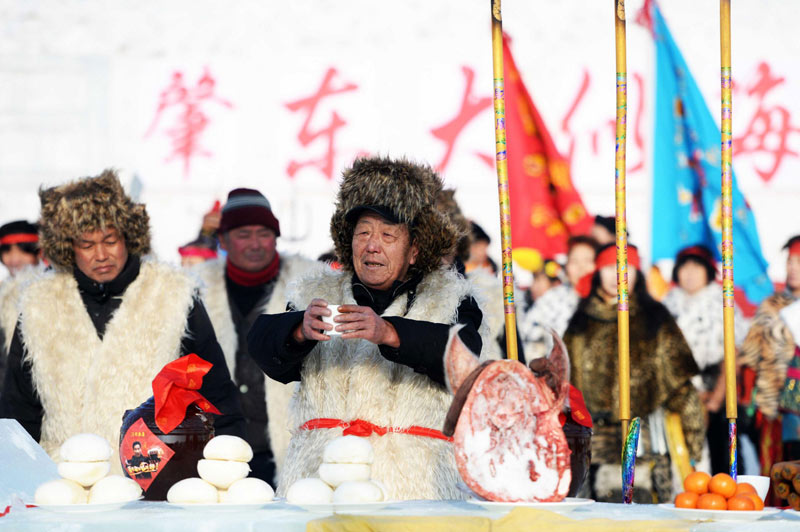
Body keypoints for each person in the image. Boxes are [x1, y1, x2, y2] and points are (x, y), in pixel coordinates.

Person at [248, 156, 490, 500]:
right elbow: (263, 347)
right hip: (322, 481)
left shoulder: (450, 297)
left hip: (416, 488)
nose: (372, 245)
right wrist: (298, 330)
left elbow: (465, 355)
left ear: (414, 250)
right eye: (363, 233)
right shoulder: (315, 292)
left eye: (387, 235)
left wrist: (389, 333)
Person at [0, 170, 244, 470]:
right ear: (67, 246)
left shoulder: (173, 293)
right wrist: (17, 478)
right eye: (87, 245)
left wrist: (228, 464)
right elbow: (18, 406)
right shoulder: (39, 303)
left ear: (128, 236)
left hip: (155, 478)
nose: (101, 255)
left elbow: (215, 391)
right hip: (62, 478)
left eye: (110, 240)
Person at [191, 188, 315, 484]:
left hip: (291, 447)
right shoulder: (195, 289)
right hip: (214, 452)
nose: (256, 244)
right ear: (222, 240)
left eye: (264, 234)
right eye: (244, 234)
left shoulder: (311, 285)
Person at [563, 243, 703, 503]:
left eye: (625, 267)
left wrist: (693, 442)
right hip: (592, 440)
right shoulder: (581, 320)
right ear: (598, 271)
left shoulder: (655, 317)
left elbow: (681, 386)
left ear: (638, 272)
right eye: (609, 267)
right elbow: (566, 384)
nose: (617, 274)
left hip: (647, 440)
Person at [662, 245, 747, 474]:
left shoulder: (722, 303)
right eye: (685, 267)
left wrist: (716, 398)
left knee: (720, 460)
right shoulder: (667, 304)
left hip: (715, 392)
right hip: (676, 394)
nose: (690, 273)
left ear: (708, 272)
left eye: (696, 267)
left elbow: (733, 355)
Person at [740, 235, 800, 462]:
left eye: (799, 262)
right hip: (774, 409)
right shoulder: (770, 306)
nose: (793, 268)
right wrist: (746, 396)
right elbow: (750, 355)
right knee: (777, 469)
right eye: (790, 261)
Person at [520, 235, 598, 338]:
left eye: (587, 260)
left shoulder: (608, 299)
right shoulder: (552, 298)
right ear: (566, 267)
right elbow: (528, 332)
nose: (581, 267)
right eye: (574, 261)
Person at [0, 220, 43, 384]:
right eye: (7, 251)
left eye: (23, 250)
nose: (14, 259)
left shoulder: (48, 289)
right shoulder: (4, 290)